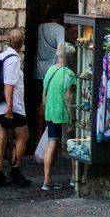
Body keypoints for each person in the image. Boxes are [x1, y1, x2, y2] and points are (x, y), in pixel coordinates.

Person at [0, 30, 30, 188]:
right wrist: (10, 107)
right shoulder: (14, 59)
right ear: (21, 43)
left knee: (0, 138)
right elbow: (9, 84)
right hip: (12, 106)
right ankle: (15, 171)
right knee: (22, 135)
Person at [39, 41, 77, 192]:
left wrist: (45, 108)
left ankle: (46, 180)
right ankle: (74, 177)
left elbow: (44, 93)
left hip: (51, 111)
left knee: (51, 143)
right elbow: (69, 98)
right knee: (72, 145)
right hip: (64, 113)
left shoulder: (50, 70)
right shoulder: (69, 74)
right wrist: (72, 116)